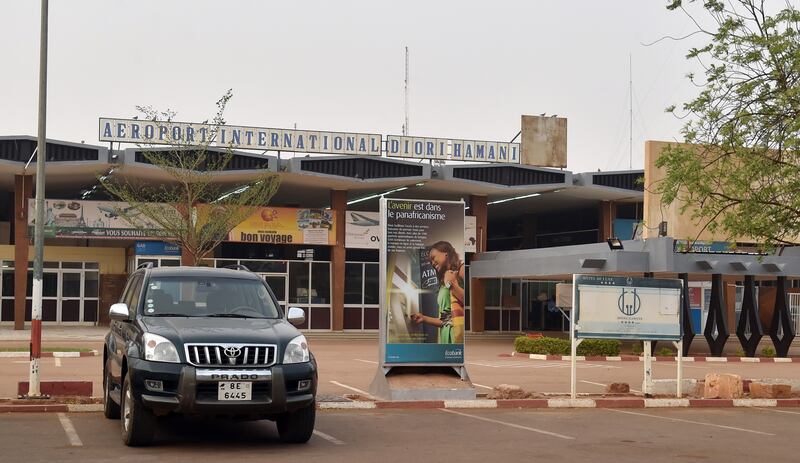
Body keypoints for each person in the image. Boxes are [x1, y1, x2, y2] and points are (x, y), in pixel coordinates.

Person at [410, 241, 465, 343]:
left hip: (457, 336)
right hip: (446, 337)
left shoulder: (461, 269)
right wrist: (424, 318)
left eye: (433, 258)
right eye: (430, 262)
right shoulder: (444, 281)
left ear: (445, 253)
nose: (432, 263)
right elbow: (445, 320)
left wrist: (451, 285)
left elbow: (471, 302)